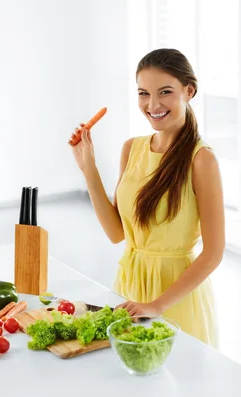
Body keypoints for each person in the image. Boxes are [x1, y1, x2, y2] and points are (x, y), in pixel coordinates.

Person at [69, 48, 225, 348]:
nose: (152, 104)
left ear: (188, 91)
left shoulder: (201, 159)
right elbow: (117, 233)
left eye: (165, 92)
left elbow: (213, 252)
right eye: (143, 93)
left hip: (175, 298)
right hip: (128, 289)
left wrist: (157, 305)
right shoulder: (132, 149)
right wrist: (88, 166)